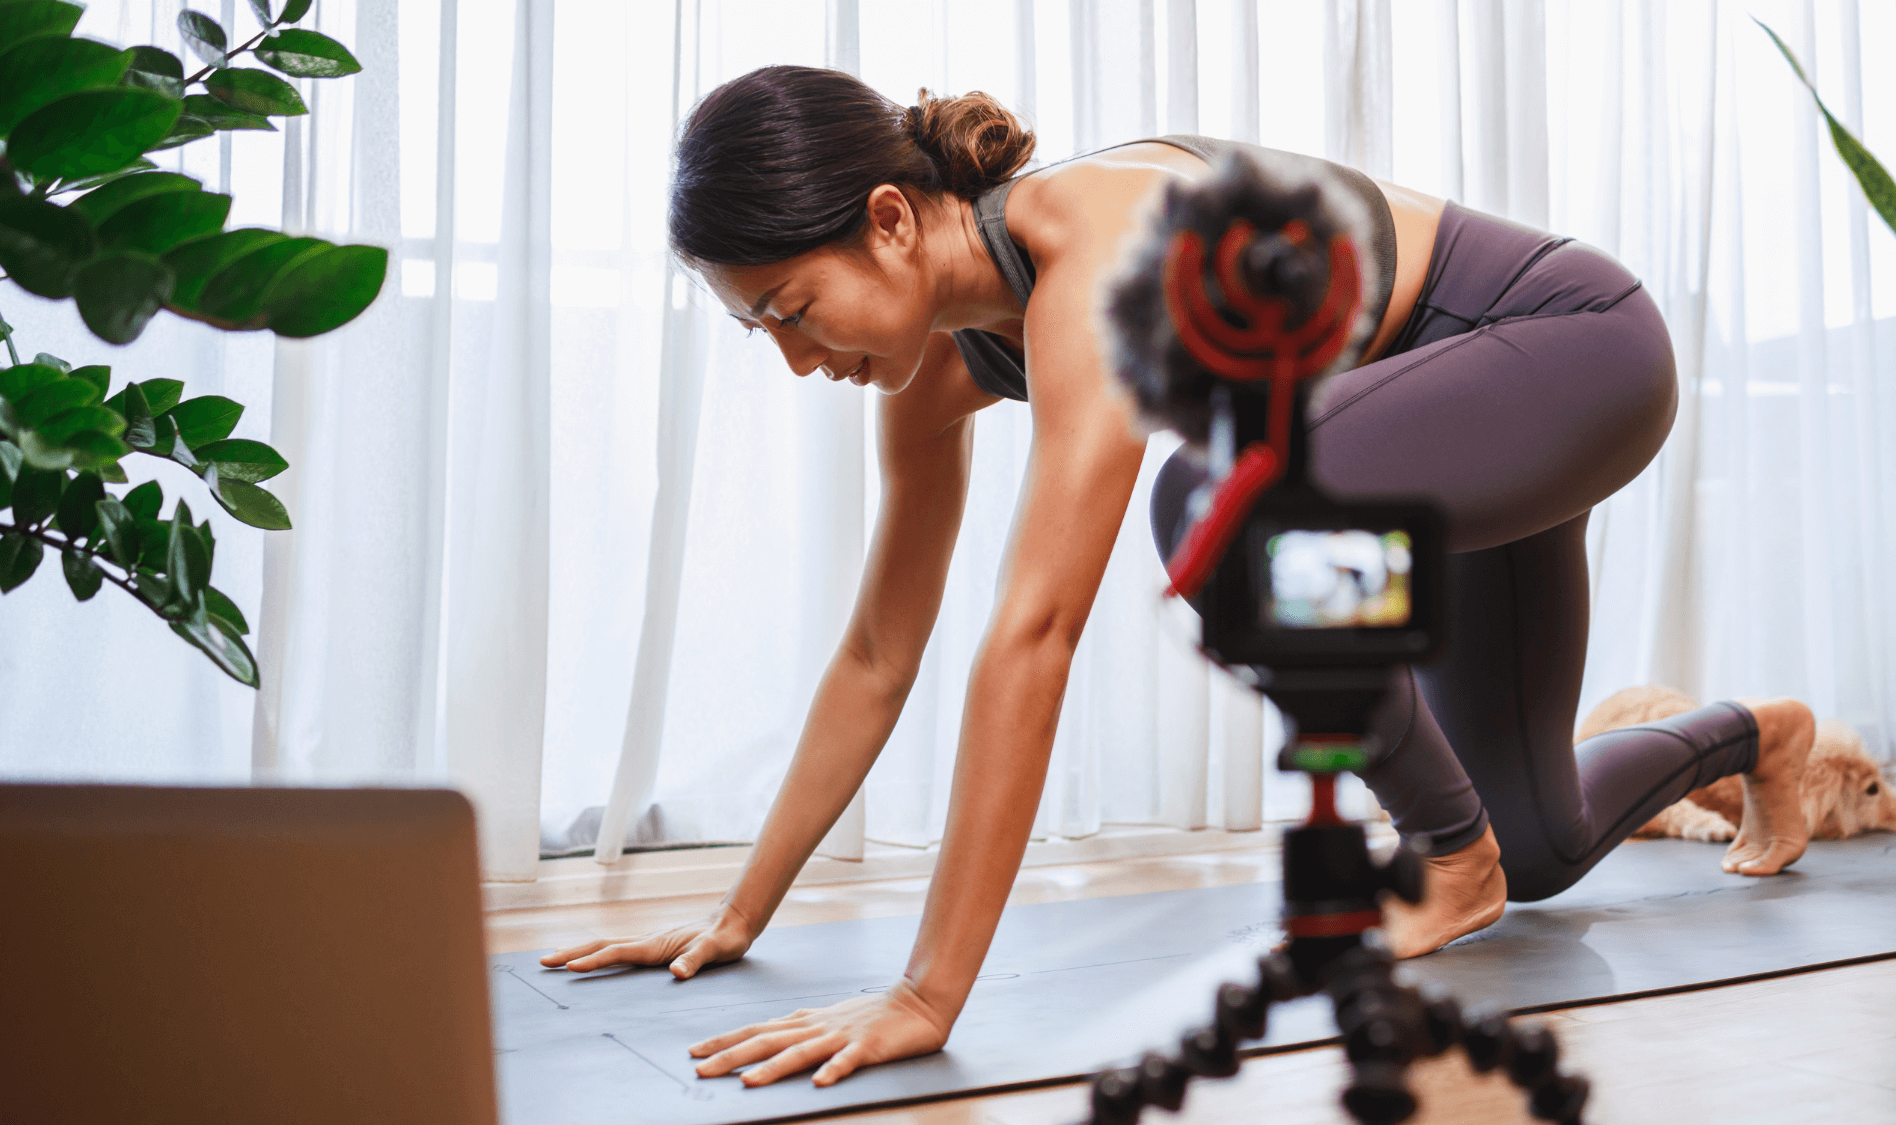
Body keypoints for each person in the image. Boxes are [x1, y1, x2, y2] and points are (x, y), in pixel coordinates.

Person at [538, 64, 1815, 1089]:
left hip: (1564, 350)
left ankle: (1443, 852)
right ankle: (1756, 739)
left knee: (1217, 506)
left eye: (791, 309)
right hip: (1423, 432)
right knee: (1536, 849)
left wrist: (927, 995)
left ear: (885, 221)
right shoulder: (936, 372)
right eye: (757, 328)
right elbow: (879, 654)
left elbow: (1033, 633)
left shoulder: (1096, 250)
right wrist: (736, 917)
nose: (793, 359)